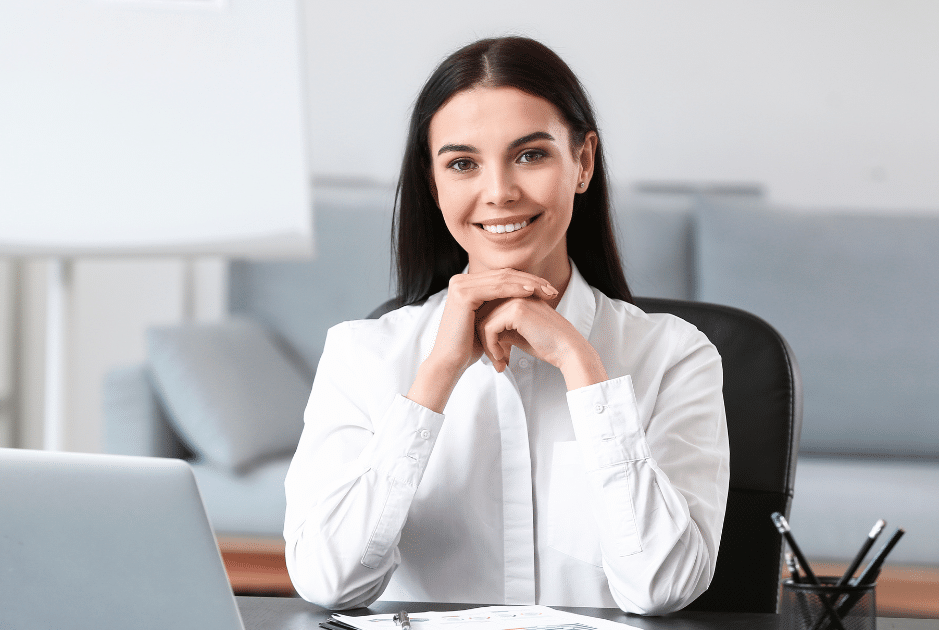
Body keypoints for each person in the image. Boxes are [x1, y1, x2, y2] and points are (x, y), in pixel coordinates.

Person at [282, 36, 728, 615]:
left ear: (583, 162)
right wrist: (435, 380)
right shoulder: (361, 355)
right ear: (434, 181)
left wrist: (583, 370)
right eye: (463, 163)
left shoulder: (673, 354)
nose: (499, 193)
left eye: (530, 155)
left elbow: (662, 588)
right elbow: (327, 583)